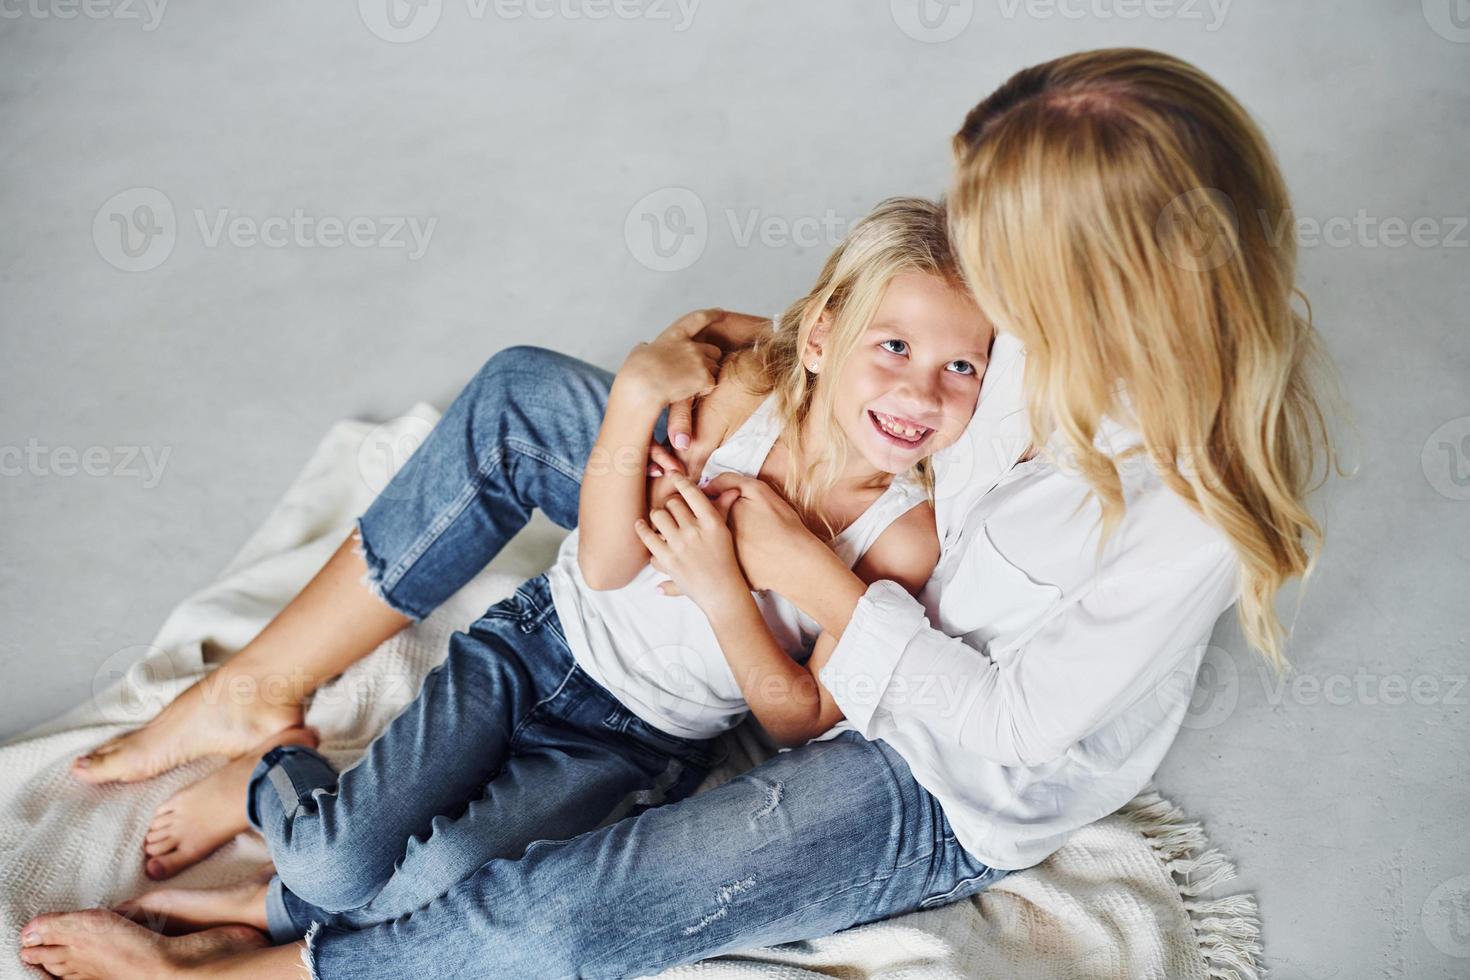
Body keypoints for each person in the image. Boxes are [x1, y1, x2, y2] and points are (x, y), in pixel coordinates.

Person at [20, 47, 1337, 980]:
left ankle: (251, 963)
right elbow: (898, 342)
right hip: (766, 583)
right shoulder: (1020, 330)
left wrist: (788, 575)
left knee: (554, 915)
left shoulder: (1184, 515)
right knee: (532, 398)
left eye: (1000, 253)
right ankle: (262, 694)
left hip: (933, 770)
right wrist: (727, 378)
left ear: (1097, 288)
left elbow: (999, 722)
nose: (973, 273)